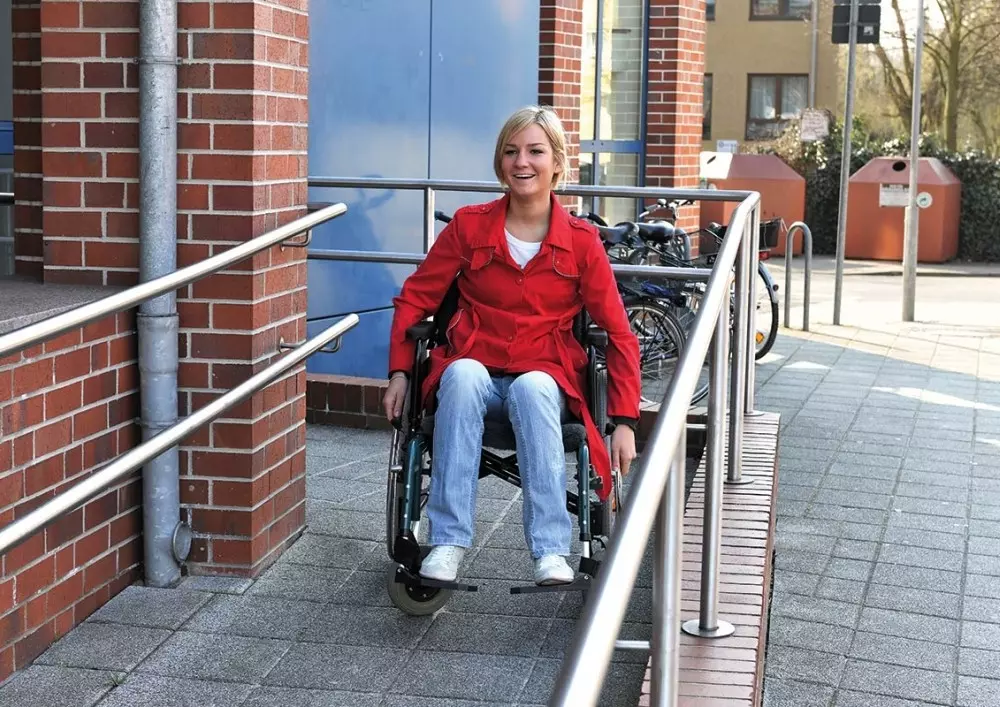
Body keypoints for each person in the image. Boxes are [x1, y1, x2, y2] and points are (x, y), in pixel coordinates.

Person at [383, 106, 641, 586]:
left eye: (535, 151)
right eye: (511, 151)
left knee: (533, 386)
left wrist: (624, 421)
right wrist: (400, 371)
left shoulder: (582, 242)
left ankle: (551, 551)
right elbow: (415, 299)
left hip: (545, 381)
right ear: (500, 162)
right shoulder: (469, 227)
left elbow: (619, 333)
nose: (522, 162)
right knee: (463, 373)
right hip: (471, 375)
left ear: (557, 163)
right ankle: (447, 543)